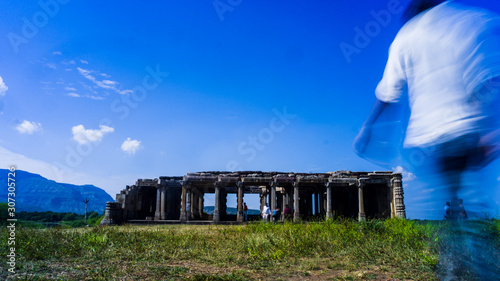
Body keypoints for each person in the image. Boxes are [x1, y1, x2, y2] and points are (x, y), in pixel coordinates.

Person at [353, 0, 500, 216]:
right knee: (472, 206)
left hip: (424, 142)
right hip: (466, 133)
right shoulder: (471, 20)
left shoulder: (406, 35)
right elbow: (489, 81)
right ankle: (468, 229)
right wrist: (489, 129)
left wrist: (368, 128)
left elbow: (388, 93)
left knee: (444, 204)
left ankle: (452, 236)